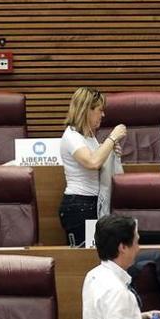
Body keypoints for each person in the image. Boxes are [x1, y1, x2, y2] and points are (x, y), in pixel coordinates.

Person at [59, 87, 127, 247]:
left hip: (92, 203)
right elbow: (92, 162)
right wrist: (112, 138)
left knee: (99, 254)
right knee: (86, 257)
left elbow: (98, 159)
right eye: (99, 110)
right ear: (86, 110)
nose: (103, 115)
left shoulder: (89, 136)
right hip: (78, 206)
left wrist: (110, 150)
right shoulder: (71, 136)